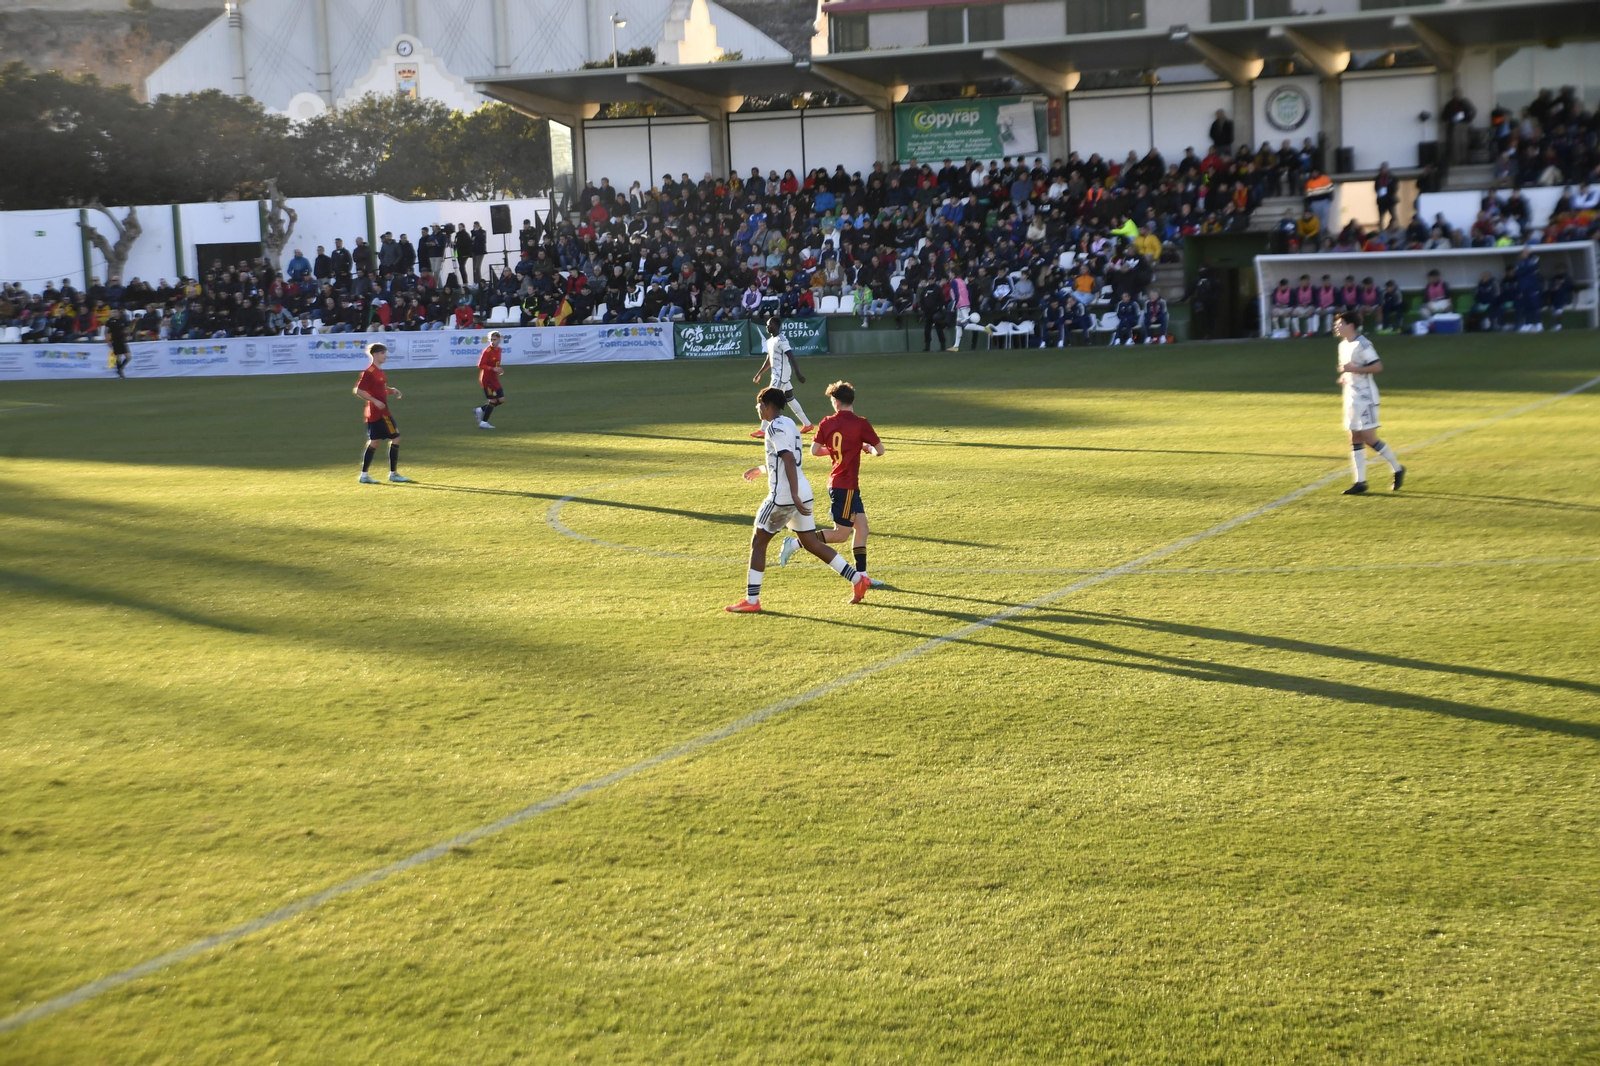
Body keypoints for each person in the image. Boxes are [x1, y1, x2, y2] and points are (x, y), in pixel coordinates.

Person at [725, 387, 872, 613]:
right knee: (812, 543)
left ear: (765, 405)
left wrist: (791, 494)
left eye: (758, 405)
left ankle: (752, 601)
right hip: (803, 491)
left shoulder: (774, 427)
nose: (758, 410)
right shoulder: (790, 424)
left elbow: (788, 459)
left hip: (784, 497)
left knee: (758, 542)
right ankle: (856, 579)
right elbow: (787, 459)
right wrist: (764, 469)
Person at [777, 379, 886, 587]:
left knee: (862, 528)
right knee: (841, 534)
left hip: (842, 484)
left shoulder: (827, 422)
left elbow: (814, 450)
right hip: (844, 486)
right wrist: (867, 448)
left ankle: (862, 576)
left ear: (835, 402)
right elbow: (880, 450)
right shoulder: (861, 423)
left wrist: (835, 451)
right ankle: (796, 543)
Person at [1334, 312, 1405, 496]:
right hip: (1350, 397)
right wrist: (1344, 376)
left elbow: (1377, 366)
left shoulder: (1362, 344)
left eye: (1340, 323)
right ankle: (1360, 482)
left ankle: (1397, 468)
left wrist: (1354, 369)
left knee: (1369, 438)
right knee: (1354, 438)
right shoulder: (1343, 345)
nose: (1337, 326)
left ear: (1350, 325)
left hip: (1366, 398)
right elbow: (1349, 369)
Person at [354, 342, 411, 484]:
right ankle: (393, 474)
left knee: (374, 442)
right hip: (380, 413)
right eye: (382, 353)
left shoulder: (379, 371)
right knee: (396, 438)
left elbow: (379, 388)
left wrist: (391, 390)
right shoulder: (370, 372)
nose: (385, 355)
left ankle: (364, 475)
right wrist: (375, 401)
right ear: (375, 354)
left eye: (385, 353)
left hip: (377, 412)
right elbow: (359, 390)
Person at [750, 315, 813, 439]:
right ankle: (807, 424)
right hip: (776, 374)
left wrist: (798, 373)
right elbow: (769, 359)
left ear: (777, 326)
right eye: (767, 325)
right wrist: (760, 373)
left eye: (770, 325)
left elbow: (791, 356)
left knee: (767, 398)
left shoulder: (782, 340)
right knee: (790, 398)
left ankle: (763, 429)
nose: (768, 327)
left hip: (781, 375)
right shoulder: (770, 341)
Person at [474, 330, 505, 429]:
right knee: (493, 400)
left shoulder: (499, 350)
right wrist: (492, 369)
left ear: (499, 340)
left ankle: (480, 410)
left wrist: (499, 370)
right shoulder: (487, 351)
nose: (492, 341)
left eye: (495, 339)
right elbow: (480, 365)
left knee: (501, 400)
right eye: (491, 339)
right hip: (486, 380)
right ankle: (483, 422)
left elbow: (496, 363)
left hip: (494, 378)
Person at [106, 307, 130, 377]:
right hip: (115, 340)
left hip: (122, 340)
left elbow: (127, 329)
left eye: (115, 312)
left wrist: (127, 335)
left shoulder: (123, 320)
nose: (114, 313)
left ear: (119, 313)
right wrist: (108, 340)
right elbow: (106, 332)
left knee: (128, 357)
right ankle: (120, 373)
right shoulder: (110, 321)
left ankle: (120, 369)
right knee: (118, 357)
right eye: (113, 312)